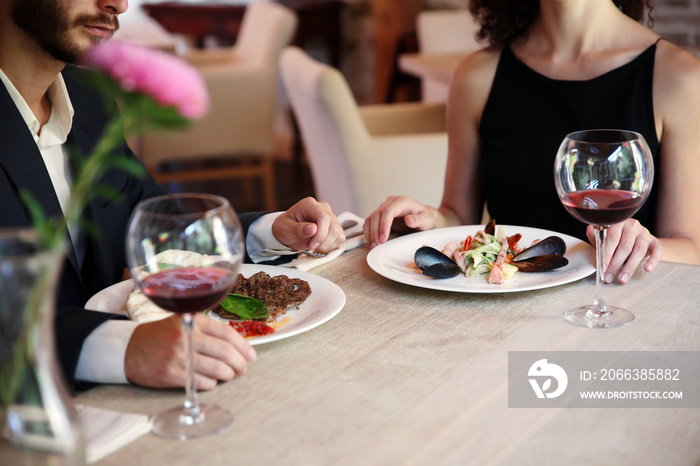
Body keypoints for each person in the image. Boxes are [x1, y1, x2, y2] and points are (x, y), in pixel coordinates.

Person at [0, 0, 346, 391]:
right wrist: (119, 348)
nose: (118, 4)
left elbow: (152, 235)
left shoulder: (89, 98)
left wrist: (269, 232)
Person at [364, 0, 700, 283]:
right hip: (505, 318)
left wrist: (645, 244)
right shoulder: (476, 76)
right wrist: (423, 221)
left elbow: (691, 248)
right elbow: (458, 215)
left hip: (621, 314)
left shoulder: (678, 78)